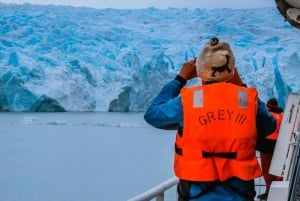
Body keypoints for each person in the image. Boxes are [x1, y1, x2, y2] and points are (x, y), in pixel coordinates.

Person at [144, 37, 276, 201]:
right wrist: (241, 85)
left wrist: (180, 79)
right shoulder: (248, 100)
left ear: (200, 72)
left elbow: (152, 115)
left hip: (195, 194)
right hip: (239, 194)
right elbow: (270, 127)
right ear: (232, 71)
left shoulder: (188, 101)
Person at [256, 98, 284, 201]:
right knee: (277, 170)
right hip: (279, 146)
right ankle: (278, 192)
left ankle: (269, 192)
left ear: (268, 106)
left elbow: (260, 128)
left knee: (267, 170)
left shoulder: (269, 116)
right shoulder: (282, 116)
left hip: (266, 145)